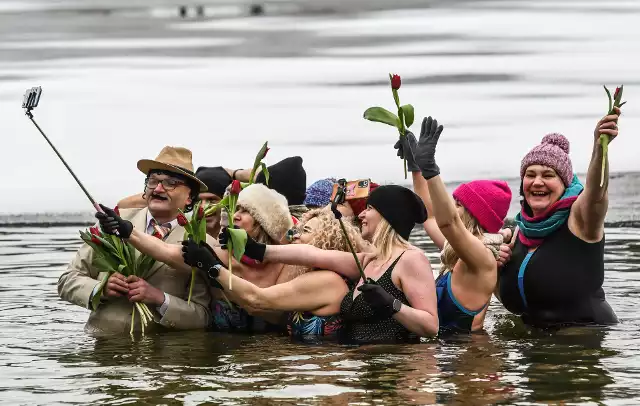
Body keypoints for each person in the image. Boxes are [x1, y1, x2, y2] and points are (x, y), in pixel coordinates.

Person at [206, 185, 439, 343]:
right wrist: (256, 249)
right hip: (363, 365)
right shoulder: (369, 260)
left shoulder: (411, 259)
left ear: (389, 216)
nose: (361, 216)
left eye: (369, 209)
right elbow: (312, 255)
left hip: (398, 365)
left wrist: (392, 304)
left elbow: (431, 326)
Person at [97, 183, 294, 333]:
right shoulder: (219, 253)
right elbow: (166, 251)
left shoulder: (288, 264)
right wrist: (126, 230)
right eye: (237, 209)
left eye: (246, 211)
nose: (235, 216)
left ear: (265, 222)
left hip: (272, 358)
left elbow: (272, 312)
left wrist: (215, 269)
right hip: (225, 361)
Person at [58, 146, 213, 334]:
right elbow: (67, 281)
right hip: (102, 346)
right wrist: (102, 289)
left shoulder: (200, 241)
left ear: (189, 197)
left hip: (161, 355)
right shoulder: (113, 222)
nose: (158, 188)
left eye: (171, 183)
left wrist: (159, 298)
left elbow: (202, 316)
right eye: (152, 181)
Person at [498, 108, 621, 327]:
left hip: (583, 337)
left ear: (564, 185)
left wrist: (599, 148)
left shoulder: (580, 221)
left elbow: (596, 193)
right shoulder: (518, 232)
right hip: (537, 345)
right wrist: (494, 264)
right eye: (530, 175)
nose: (537, 182)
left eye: (548, 175)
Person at [398, 117, 512, 335]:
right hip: (447, 355)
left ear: (474, 214)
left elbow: (448, 222)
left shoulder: (483, 259)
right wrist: (417, 166)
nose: (451, 207)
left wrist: (431, 169)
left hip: (469, 359)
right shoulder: (456, 250)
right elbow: (430, 216)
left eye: (458, 204)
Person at [182, 208, 367, 342]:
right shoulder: (313, 276)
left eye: (306, 231)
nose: (296, 235)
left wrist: (212, 267)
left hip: (319, 383)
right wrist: (215, 269)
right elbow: (258, 310)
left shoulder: (328, 280)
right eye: (299, 229)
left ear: (328, 240)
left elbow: (257, 299)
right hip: (306, 376)